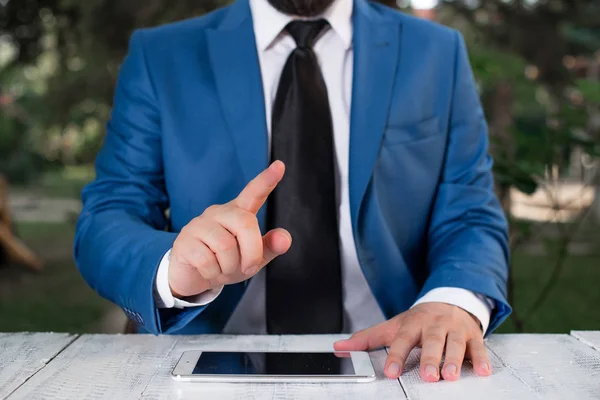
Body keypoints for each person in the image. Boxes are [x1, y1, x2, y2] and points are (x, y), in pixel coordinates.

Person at [74, 0, 511, 383]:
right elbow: (111, 213)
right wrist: (173, 268)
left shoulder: (437, 52)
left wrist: (452, 300)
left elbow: (470, 214)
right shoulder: (162, 55)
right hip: (206, 359)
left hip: (397, 365)